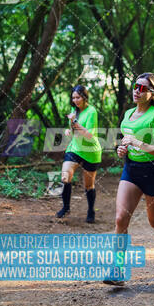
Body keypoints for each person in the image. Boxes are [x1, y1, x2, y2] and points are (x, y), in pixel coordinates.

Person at [103, 72, 154, 286]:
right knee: (120, 219)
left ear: (153, 94)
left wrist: (137, 143)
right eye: (136, 86)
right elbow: (125, 143)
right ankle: (117, 269)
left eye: (143, 88)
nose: (137, 90)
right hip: (132, 171)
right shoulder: (127, 114)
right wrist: (122, 149)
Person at [56, 85, 101, 223]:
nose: (75, 100)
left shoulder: (92, 111)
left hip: (90, 151)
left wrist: (74, 122)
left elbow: (88, 135)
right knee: (65, 176)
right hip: (75, 148)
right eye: (73, 97)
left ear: (84, 97)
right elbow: (71, 128)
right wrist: (68, 130)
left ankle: (90, 210)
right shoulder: (74, 110)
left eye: (78, 97)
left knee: (88, 185)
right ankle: (66, 207)